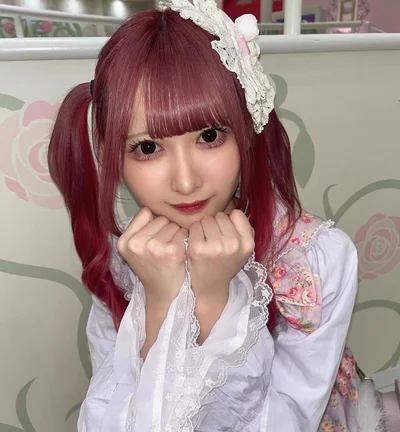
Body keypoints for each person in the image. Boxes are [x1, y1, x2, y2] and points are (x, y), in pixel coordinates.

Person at [47, 0, 385, 430]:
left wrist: (212, 303)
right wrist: (161, 305)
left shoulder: (317, 261)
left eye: (209, 136)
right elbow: (110, 418)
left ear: (246, 129)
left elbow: (285, 422)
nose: (186, 182)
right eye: (148, 147)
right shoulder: (126, 257)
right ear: (113, 155)